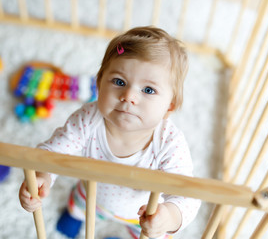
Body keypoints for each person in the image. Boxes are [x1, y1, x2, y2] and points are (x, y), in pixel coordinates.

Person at [19, 26, 200, 239]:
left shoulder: (170, 143)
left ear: (169, 106)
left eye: (148, 90)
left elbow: (187, 196)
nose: (128, 96)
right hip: (92, 197)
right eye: (119, 82)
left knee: (153, 233)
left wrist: (168, 217)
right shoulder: (89, 118)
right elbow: (54, 151)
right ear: (99, 84)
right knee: (79, 204)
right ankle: (75, 215)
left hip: (142, 214)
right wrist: (42, 176)